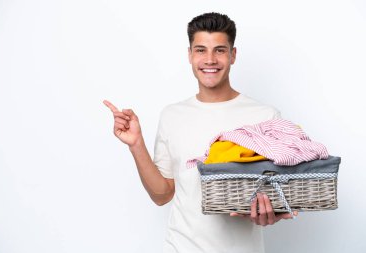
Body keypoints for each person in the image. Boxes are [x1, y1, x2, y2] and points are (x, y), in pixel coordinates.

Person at [104, 12, 297, 253]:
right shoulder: (172, 115)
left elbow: (281, 194)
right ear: (190, 55)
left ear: (233, 55)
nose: (210, 59)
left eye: (219, 50)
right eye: (200, 50)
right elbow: (162, 195)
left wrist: (273, 213)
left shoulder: (265, 116)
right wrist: (136, 144)